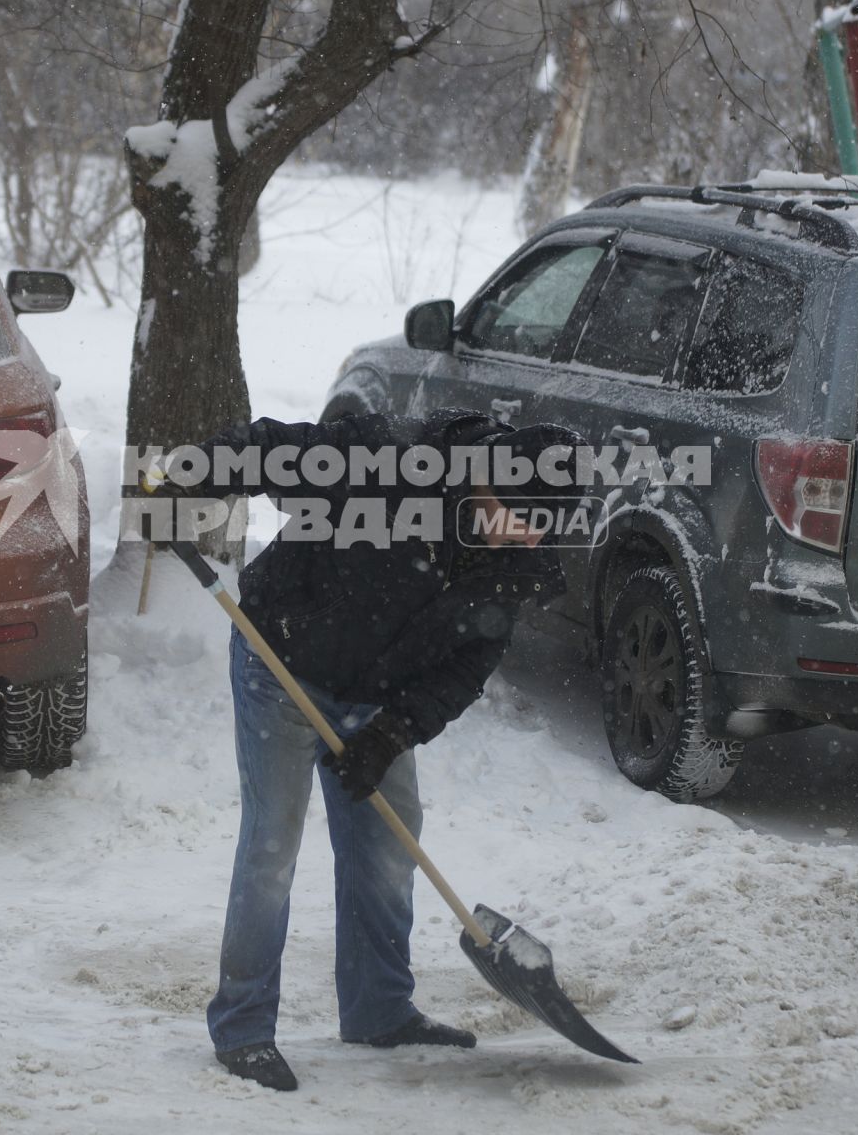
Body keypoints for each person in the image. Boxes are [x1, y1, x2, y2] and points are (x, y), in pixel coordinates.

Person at [146, 410, 587, 1092]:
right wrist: (193, 475)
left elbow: (464, 667)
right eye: (523, 512)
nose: (528, 534)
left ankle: (379, 1010)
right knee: (271, 849)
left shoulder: (514, 566)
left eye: (544, 526)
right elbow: (272, 451)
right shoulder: (388, 462)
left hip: (376, 699)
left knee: (388, 843)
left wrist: (394, 730)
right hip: (281, 664)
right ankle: (242, 1029)